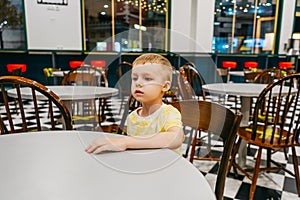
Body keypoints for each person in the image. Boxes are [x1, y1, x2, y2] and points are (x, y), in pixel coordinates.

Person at [85, 53, 184, 155]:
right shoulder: (132, 117)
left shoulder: (168, 113)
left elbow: (175, 138)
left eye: (147, 79)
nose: (138, 83)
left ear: (165, 86)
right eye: (135, 78)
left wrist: (126, 142)